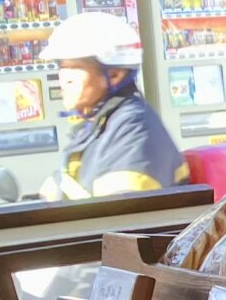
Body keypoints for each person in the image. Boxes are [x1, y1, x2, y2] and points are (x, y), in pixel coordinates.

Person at [40, 13, 188, 199]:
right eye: (62, 67)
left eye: (75, 68)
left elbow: (122, 210)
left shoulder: (135, 128)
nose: (64, 79)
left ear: (114, 75)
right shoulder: (97, 126)